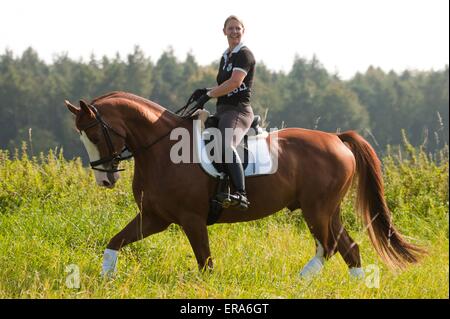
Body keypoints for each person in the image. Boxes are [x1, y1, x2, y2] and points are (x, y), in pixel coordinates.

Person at [193, 15, 255, 211]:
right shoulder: (225, 56)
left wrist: (209, 95)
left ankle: (241, 194)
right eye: (231, 28)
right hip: (222, 110)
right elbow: (223, 85)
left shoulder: (244, 54)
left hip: (238, 111)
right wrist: (206, 91)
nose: (234, 31)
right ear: (224, 31)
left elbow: (235, 83)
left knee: (227, 145)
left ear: (243, 31)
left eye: (238, 28)